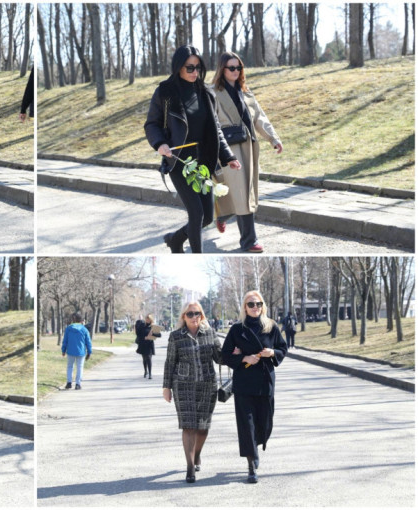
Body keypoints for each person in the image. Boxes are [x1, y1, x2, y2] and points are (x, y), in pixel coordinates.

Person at [144, 45, 241, 254]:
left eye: (198, 67)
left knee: (206, 217)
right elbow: (152, 124)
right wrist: (160, 143)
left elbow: (216, 129)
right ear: (178, 67)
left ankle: (175, 239)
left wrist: (228, 156)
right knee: (196, 214)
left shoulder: (206, 92)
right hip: (179, 162)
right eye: (190, 68)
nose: (195, 72)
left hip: (203, 163)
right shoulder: (165, 92)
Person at [211, 52, 283, 253]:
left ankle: (223, 215)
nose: (235, 71)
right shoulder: (213, 93)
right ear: (222, 69)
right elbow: (210, 124)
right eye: (231, 68)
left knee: (243, 191)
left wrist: (273, 139)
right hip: (228, 149)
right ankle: (249, 241)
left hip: (249, 147)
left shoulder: (246, 92)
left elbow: (259, 117)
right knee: (242, 193)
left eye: (238, 67)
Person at [220, 290, 287, 483]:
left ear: (263, 306)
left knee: (264, 423)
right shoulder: (237, 329)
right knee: (246, 425)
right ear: (245, 307)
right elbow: (225, 355)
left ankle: (255, 445)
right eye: (251, 304)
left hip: (265, 382)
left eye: (258, 303)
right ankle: (251, 464)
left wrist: (272, 352)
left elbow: (283, 348)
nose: (255, 307)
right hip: (244, 383)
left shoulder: (271, 326)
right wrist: (243, 358)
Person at [162, 301, 224, 483]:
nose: (194, 317)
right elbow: (169, 363)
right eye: (190, 314)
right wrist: (166, 387)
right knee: (188, 426)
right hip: (183, 386)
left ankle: (197, 454)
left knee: (203, 427)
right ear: (184, 317)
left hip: (207, 385)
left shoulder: (210, 333)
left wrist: (234, 351)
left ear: (202, 315)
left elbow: (219, 358)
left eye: (197, 313)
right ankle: (190, 467)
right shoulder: (176, 337)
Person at [61, 312, 92, 390]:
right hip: (81, 351)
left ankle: (69, 382)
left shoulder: (68, 328)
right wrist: (89, 352)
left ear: (73, 320)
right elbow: (88, 342)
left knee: (70, 366)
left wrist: (63, 350)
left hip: (70, 351)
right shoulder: (84, 329)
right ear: (81, 320)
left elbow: (65, 340)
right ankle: (78, 384)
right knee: (80, 367)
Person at [135, 314, 161, 379]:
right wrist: (144, 337)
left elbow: (159, 335)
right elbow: (138, 334)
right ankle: (145, 371)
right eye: (146, 318)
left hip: (149, 344)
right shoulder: (142, 325)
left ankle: (150, 373)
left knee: (149, 358)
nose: (147, 320)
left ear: (151, 319)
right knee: (144, 359)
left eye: (149, 319)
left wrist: (153, 334)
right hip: (143, 344)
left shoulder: (153, 326)